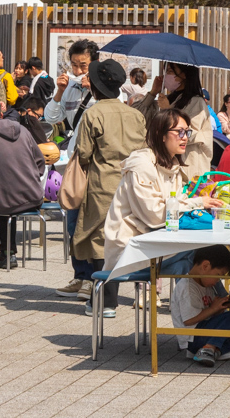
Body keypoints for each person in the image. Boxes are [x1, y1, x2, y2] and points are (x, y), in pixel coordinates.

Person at [101, 109, 220, 303]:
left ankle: (195, 310)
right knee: (200, 254)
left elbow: (174, 207)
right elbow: (155, 215)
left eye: (187, 132)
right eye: (179, 132)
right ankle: (208, 307)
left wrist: (198, 197)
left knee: (198, 255)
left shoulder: (172, 164)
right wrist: (198, 202)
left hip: (156, 243)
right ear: (161, 135)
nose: (185, 138)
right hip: (132, 248)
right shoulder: (141, 165)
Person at [64, 59, 149, 309]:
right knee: (123, 237)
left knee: (101, 241)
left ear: (96, 89)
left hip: (101, 183)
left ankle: (105, 302)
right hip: (132, 183)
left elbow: (84, 153)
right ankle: (106, 298)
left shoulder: (93, 113)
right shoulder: (136, 115)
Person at [0, 97, 45, 269]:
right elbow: (40, 161)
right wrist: (31, 177)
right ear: (1, 114)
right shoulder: (23, 130)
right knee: (3, 197)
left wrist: (1, 178)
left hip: (6, 201)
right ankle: (4, 252)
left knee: (2, 198)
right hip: (34, 195)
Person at [172, 244, 230, 368]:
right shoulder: (187, 287)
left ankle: (214, 351)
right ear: (205, 266)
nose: (218, 280)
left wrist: (220, 307)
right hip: (192, 338)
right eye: (218, 275)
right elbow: (189, 320)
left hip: (205, 331)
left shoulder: (207, 284)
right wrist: (213, 308)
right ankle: (208, 349)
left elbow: (209, 315)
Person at [136, 62, 214, 179]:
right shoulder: (171, 99)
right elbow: (138, 117)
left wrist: (168, 110)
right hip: (168, 167)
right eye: (165, 72)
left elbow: (189, 134)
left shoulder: (196, 102)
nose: (166, 76)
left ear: (184, 75)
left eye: (171, 72)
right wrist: (153, 93)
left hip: (190, 170)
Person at [46, 39, 99, 138]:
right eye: (74, 65)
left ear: (95, 63)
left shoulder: (109, 87)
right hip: (76, 146)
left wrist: (94, 90)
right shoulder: (69, 86)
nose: (78, 71)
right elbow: (51, 118)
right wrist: (60, 91)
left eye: (83, 66)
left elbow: (114, 116)